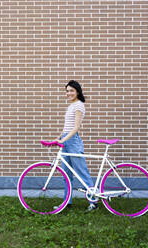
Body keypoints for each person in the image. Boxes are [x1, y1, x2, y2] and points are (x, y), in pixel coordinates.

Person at [55, 80, 98, 212]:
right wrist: (59, 137)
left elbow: (76, 127)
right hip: (66, 140)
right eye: (67, 91)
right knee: (66, 175)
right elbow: (67, 127)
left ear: (77, 92)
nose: (69, 93)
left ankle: (93, 201)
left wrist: (65, 139)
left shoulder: (79, 105)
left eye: (71, 91)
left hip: (73, 141)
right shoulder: (70, 106)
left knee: (81, 171)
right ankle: (67, 202)